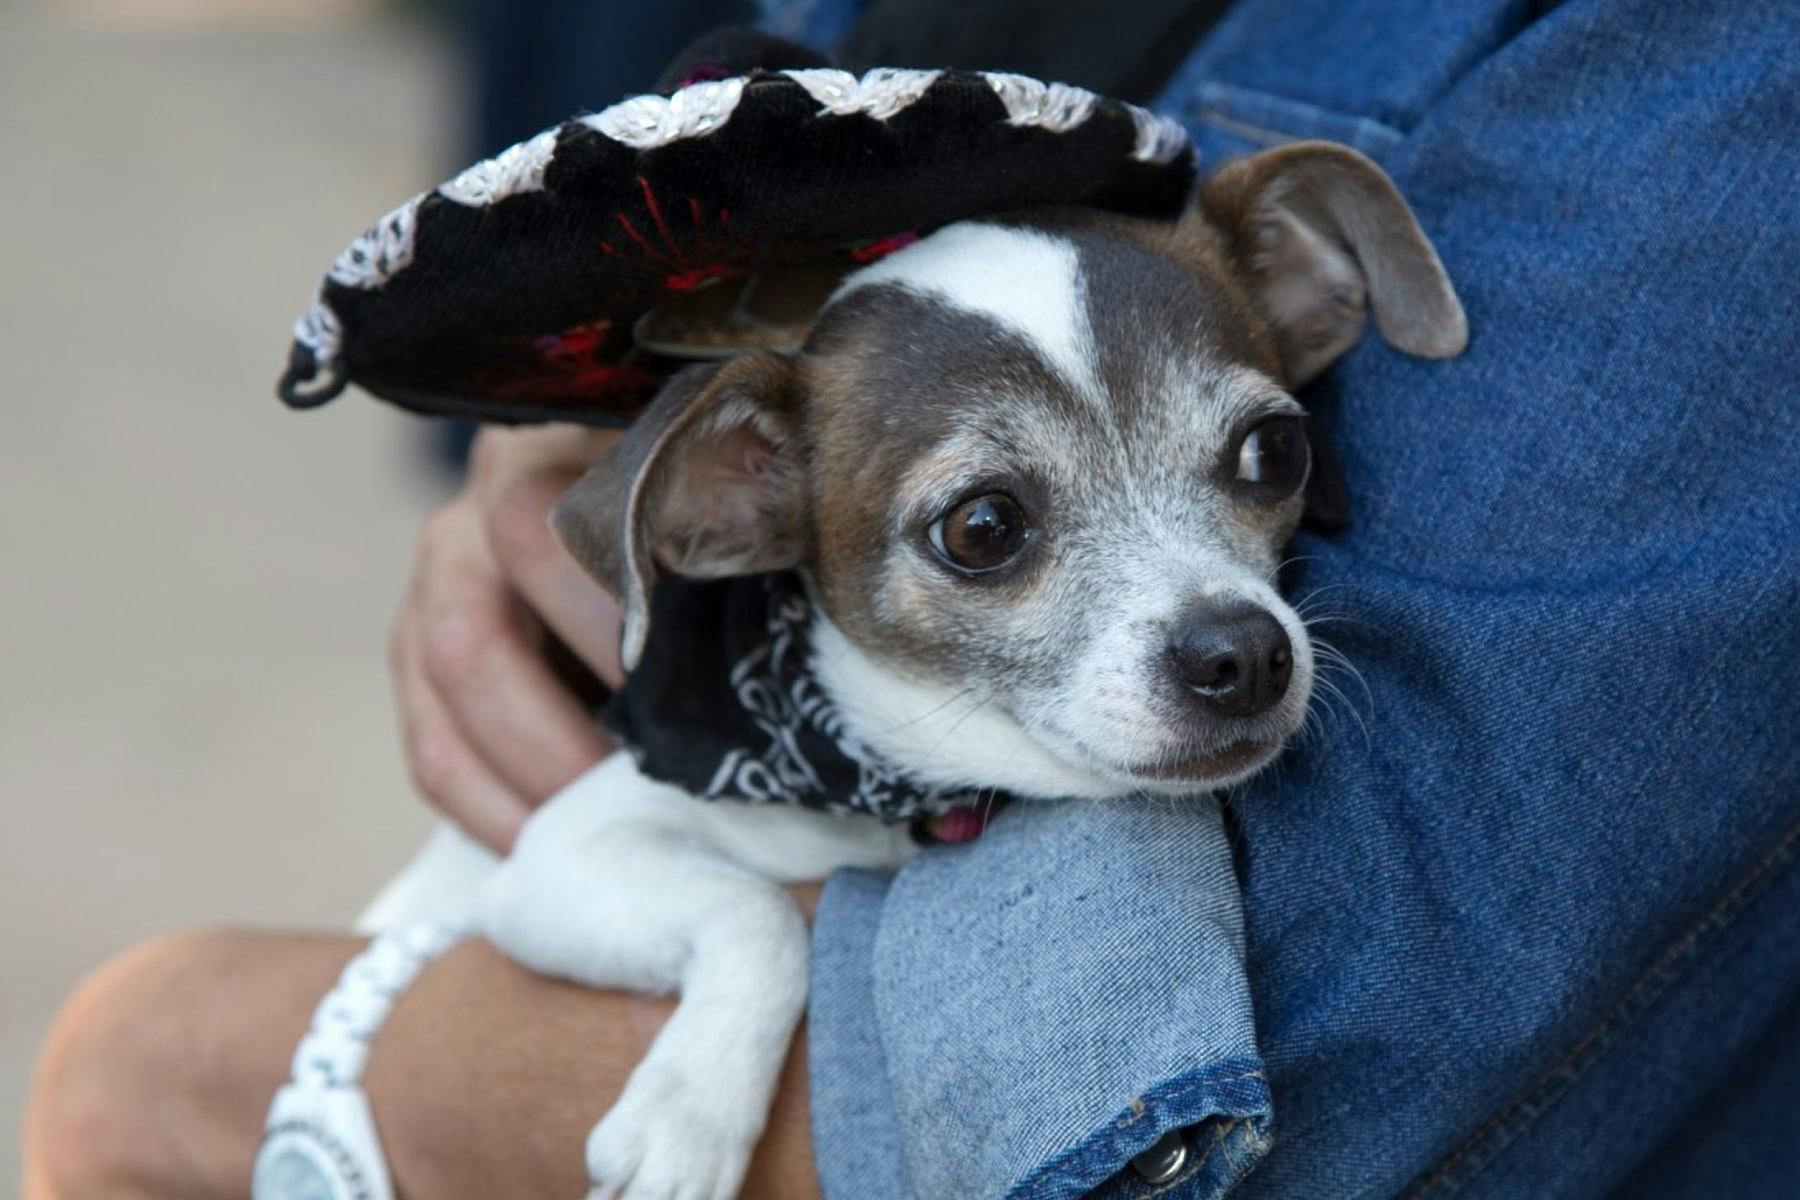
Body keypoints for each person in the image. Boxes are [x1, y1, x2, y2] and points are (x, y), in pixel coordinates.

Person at [26, 0, 1800, 1196]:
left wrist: (188, 1055)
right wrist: (566, 421)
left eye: (1253, 464)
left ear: (1319, 285)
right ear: (727, 506)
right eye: (990, 534)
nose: (1221, 620)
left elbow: (1316, 1026)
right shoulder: (739, 687)